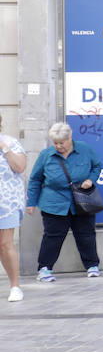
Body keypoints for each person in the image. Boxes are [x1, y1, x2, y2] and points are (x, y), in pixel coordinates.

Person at [26, 122, 103, 281]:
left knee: (86, 234)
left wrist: (91, 179)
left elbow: (97, 167)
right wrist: (31, 202)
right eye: (55, 143)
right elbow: (35, 179)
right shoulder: (46, 155)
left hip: (82, 200)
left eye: (62, 142)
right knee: (52, 236)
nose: (58, 146)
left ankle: (92, 265)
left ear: (70, 138)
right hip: (54, 203)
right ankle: (44, 268)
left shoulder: (84, 149)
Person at [0, 115, 27, 302]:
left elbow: (20, 166)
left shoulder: (11, 142)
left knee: (4, 244)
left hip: (6, 202)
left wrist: (4, 148)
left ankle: (15, 286)